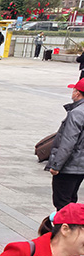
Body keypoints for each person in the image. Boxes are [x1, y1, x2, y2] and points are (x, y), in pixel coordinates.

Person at [47, 78, 84, 210]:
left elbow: (68, 141)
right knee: (71, 199)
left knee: (62, 203)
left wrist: (56, 165)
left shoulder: (77, 113)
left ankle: (65, 228)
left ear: (77, 93)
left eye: (74, 90)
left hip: (69, 166)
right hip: (80, 166)